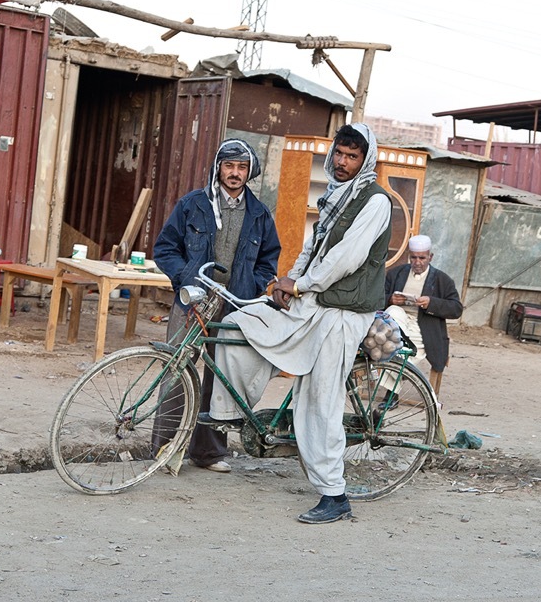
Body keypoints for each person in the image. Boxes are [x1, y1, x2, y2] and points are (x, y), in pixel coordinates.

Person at [204, 123, 391, 525]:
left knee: (318, 401)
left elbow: (345, 259)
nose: (342, 162)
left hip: (344, 313)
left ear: (365, 161)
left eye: (352, 157)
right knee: (241, 324)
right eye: (339, 153)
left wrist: (302, 284)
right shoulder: (336, 196)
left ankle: (335, 495)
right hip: (314, 303)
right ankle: (229, 411)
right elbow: (314, 248)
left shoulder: (375, 201)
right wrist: (289, 281)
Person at [150, 139, 281, 475]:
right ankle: (165, 449)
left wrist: (252, 287)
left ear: (250, 172)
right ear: (218, 168)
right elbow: (165, 248)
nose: (235, 173)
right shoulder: (193, 204)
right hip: (194, 300)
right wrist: (186, 279)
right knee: (177, 369)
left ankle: (208, 453)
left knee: (220, 377)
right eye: (229, 165)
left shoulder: (259, 214)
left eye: (241, 167)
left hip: (235, 304)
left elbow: (269, 259)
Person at [384, 234, 463, 397]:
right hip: (397, 323)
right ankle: (392, 391)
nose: (417, 262)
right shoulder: (396, 274)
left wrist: (431, 303)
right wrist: (390, 299)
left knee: (402, 352)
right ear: (409, 256)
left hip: (424, 326)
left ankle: (391, 394)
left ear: (430, 257)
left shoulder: (442, 279)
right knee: (393, 312)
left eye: (422, 258)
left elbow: (456, 309)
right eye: (413, 258)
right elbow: (376, 299)